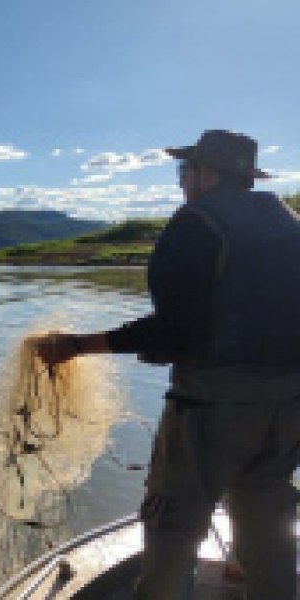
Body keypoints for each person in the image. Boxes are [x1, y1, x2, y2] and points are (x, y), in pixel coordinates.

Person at [34, 129, 300, 600]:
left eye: (185, 170)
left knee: (173, 532)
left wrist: (77, 345)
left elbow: (176, 331)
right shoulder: (289, 225)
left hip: (213, 407)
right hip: (289, 407)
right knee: (269, 525)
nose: (182, 181)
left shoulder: (197, 224)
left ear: (207, 173)